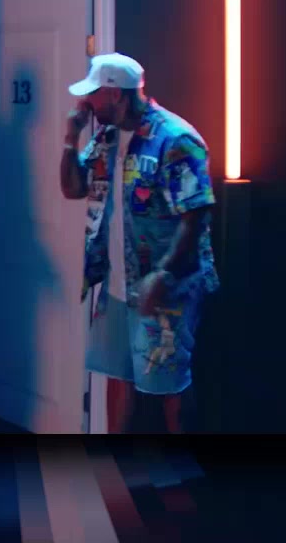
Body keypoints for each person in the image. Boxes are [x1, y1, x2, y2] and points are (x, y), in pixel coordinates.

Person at [58, 53, 219, 433]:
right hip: (118, 283)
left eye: (93, 93)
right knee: (117, 373)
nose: (87, 102)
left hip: (166, 285)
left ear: (115, 94)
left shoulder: (175, 138)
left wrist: (164, 274)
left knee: (170, 383)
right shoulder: (106, 136)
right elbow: (73, 188)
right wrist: (70, 137)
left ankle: (183, 466)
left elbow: (196, 214)